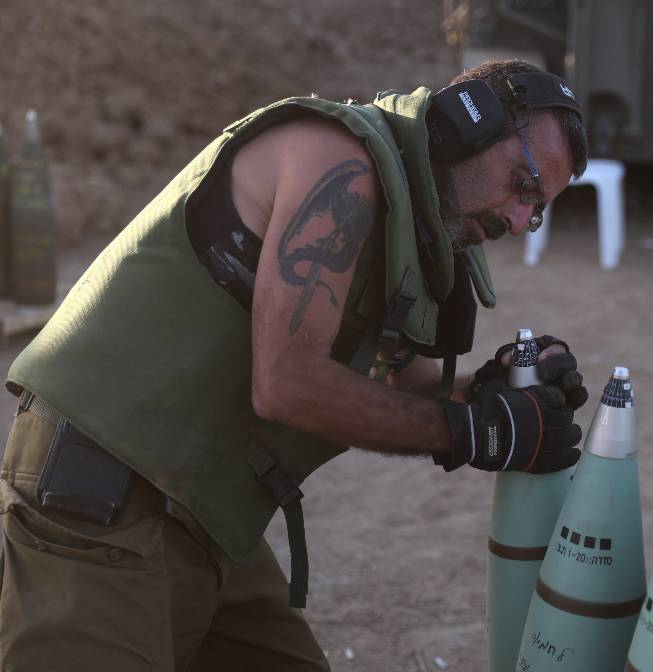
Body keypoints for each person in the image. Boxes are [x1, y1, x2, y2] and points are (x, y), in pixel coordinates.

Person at [0, 59, 589, 671]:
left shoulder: (412, 214)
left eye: (537, 210)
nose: (517, 221)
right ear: (471, 124)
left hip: (201, 503)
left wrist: (496, 392)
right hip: (100, 493)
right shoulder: (335, 163)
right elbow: (287, 385)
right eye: (522, 185)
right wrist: (472, 431)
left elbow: (409, 388)